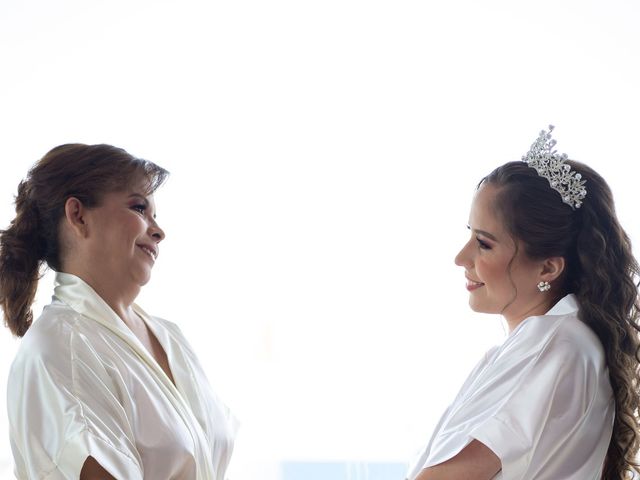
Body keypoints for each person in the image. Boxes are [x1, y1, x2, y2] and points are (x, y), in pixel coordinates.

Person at [406, 126, 640, 480]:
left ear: (548, 266)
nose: (461, 257)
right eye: (469, 233)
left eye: (484, 243)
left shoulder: (552, 343)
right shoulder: (565, 342)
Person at [1, 144, 237, 480]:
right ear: (78, 215)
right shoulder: (60, 348)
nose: (158, 230)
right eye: (139, 208)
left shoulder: (170, 337)